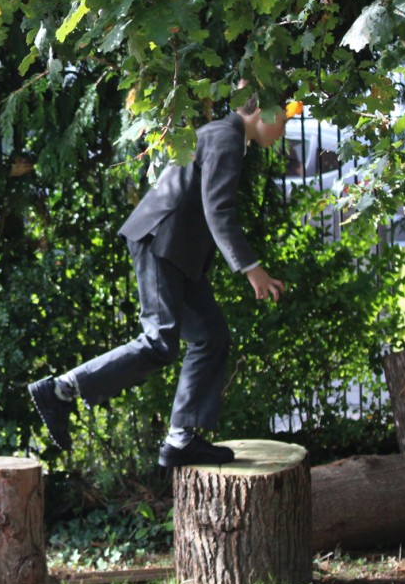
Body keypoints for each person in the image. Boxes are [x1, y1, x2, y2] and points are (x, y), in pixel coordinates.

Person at [28, 91, 291, 467]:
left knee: (211, 335)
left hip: (179, 252)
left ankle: (181, 440)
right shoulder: (226, 138)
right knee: (159, 340)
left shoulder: (225, 135)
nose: (284, 129)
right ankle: (60, 390)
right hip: (160, 242)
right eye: (284, 118)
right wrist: (252, 268)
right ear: (263, 111)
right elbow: (218, 210)